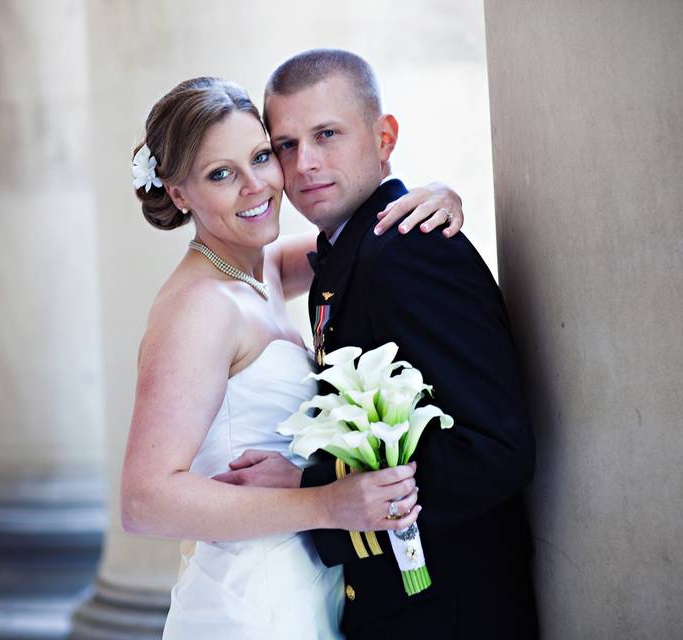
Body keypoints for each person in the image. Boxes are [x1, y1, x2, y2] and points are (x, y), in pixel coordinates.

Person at [120, 75, 467, 638]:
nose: (257, 186)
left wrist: (437, 194)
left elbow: (361, 234)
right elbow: (144, 500)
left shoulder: (260, 268)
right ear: (179, 194)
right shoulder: (199, 309)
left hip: (307, 584)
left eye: (260, 156)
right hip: (252, 602)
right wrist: (327, 505)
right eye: (220, 174)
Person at [220, 50, 538, 638]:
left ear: (384, 136)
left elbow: (494, 448)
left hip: (449, 610)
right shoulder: (351, 250)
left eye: (327, 134)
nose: (305, 163)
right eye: (285, 145)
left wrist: (313, 489)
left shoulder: (409, 250)